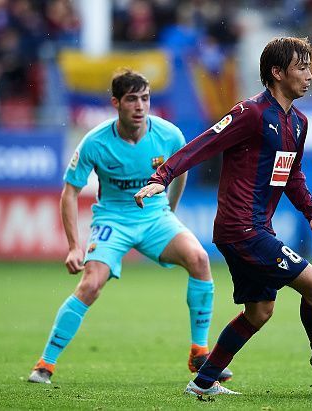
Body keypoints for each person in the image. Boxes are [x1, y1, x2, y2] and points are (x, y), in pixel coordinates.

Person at [135, 37, 312, 396]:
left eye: (309, 67)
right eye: (301, 67)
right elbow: (204, 143)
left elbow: (292, 174)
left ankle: (203, 383)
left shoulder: (298, 122)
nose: (310, 75)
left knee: (259, 312)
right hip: (242, 229)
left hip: (253, 229)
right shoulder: (251, 113)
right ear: (277, 72)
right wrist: (162, 177)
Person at [28, 69, 232, 384]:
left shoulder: (169, 135)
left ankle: (199, 352)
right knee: (91, 284)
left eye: (145, 99)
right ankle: (45, 364)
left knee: (200, 259)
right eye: (132, 99)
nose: (140, 106)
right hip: (113, 218)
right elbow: (69, 193)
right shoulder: (95, 142)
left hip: (155, 217)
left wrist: (171, 212)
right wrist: (73, 246)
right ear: (116, 103)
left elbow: (180, 172)